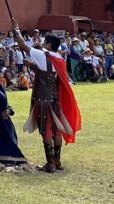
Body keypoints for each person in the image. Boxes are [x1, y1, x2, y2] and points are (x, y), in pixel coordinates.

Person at [12, 20, 81, 172]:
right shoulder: (60, 59)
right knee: (57, 130)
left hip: (43, 100)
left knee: (46, 130)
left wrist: (16, 30)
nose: (43, 44)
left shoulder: (43, 54)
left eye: (45, 42)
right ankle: (57, 161)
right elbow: (48, 74)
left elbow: (23, 46)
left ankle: (50, 164)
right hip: (55, 99)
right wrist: (32, 66)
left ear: (49, 45)